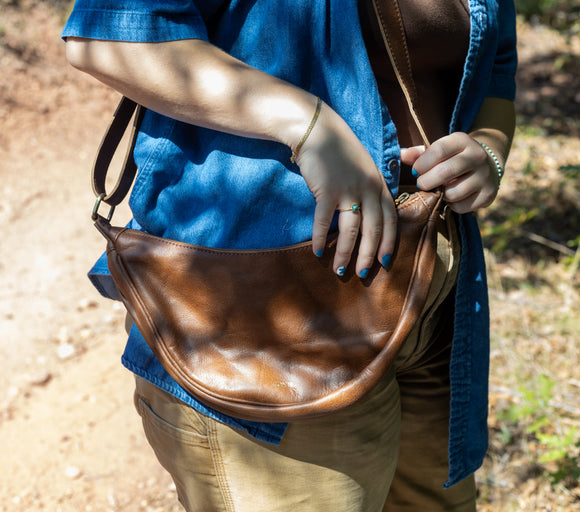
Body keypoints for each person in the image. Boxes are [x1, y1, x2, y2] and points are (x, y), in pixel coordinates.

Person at [62, 0, 517, 510]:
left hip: (433, 294)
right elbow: (109, 37)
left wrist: (490, 148)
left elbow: (496, 66)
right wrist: (308, 124)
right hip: (265, 320)